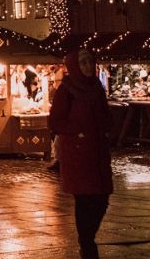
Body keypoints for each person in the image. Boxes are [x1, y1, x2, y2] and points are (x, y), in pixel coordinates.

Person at [48, 50, 113, 259]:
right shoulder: (67, 90)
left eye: (90, 62)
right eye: (83, 63)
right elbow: (55, 122)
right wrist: (77, 129)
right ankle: (86, 243)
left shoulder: (96, 86)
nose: (87, 66)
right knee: (84, 200)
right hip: (78, 153)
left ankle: (87, 239)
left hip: (98, 151)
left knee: (102, 199)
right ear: (75, 65)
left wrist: (106, 126)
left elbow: (105, 114)